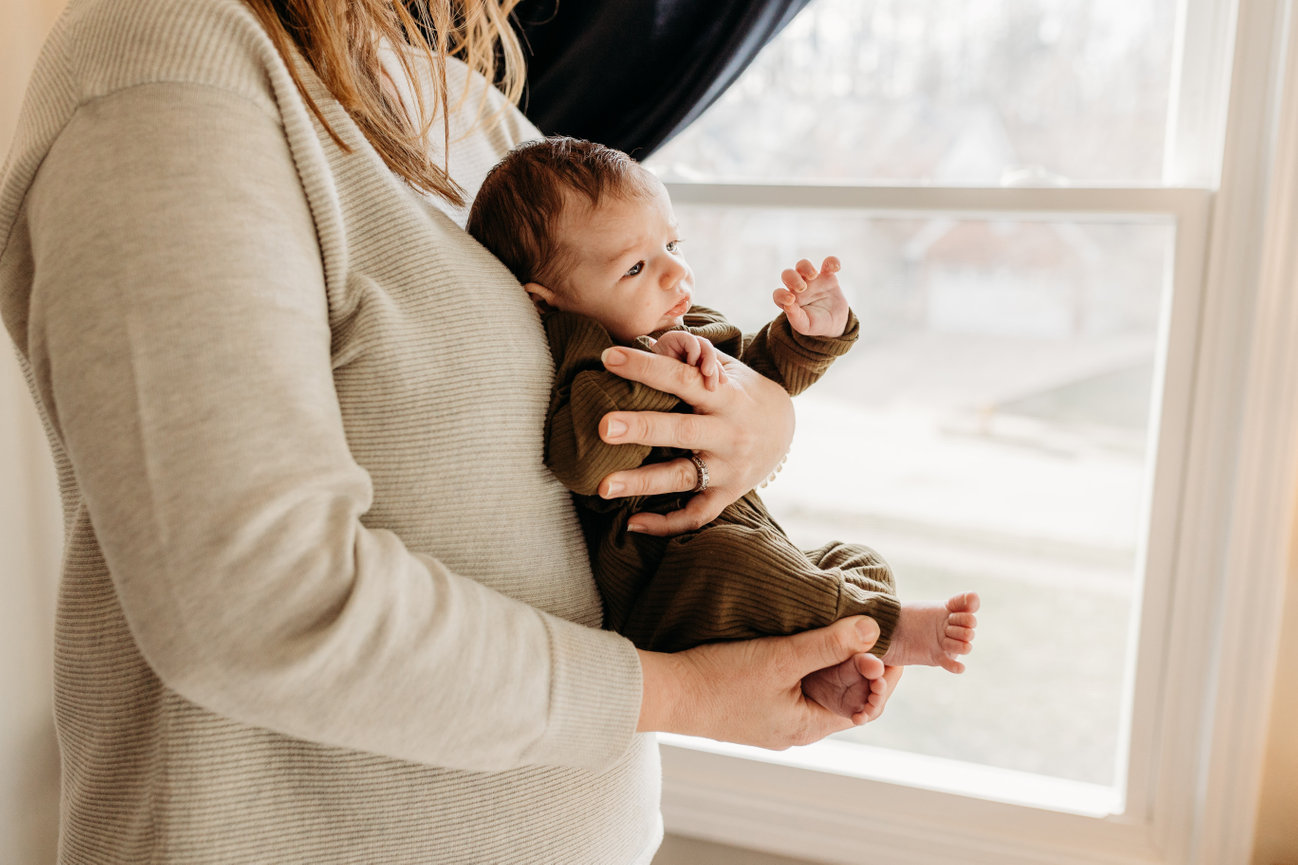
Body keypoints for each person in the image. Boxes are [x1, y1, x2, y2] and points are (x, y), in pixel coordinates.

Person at [0, 0, 905, 862]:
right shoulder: (161, 72)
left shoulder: (457, 107)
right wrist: (683, 696)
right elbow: (254, 598)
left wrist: (762, 418)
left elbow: (614, 374)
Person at [466, 136, 980, 718]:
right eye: (635, 267)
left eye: (671, 244)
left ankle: (830, 671)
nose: (674, 272)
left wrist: (807, 336)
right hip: (670, 576)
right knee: (744, 566)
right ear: (548, 301)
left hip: (745, 544)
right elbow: (583, 457)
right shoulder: (587, 354)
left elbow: (757, 379)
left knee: (854, 560)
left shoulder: (682, 324)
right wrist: (661, 367)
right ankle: (889, 630)